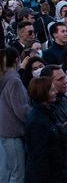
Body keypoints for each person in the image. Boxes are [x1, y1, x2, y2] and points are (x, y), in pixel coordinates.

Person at [24, 76, 63, 183]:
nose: (55, 92)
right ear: (43, 93)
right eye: (52, 90)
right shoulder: (38, 120)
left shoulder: (43, 113)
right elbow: (40, 157)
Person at [0, 47, 30, 183]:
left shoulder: (4, 80)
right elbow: (22, 110)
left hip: (5, 133)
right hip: (13, 134)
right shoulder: (14, 81)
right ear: (17, 60)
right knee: (18, 174)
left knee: (7, 172)